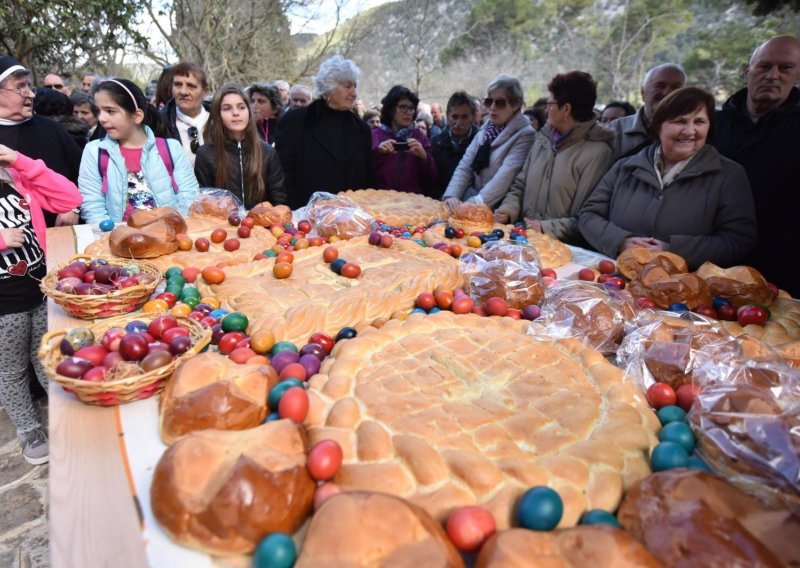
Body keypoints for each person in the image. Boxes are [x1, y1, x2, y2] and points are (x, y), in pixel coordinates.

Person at [580, 87, 757, 269]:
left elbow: (738, 239)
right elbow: (589, 215)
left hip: (684, 288)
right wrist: (620, 241)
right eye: (680, 121)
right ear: (658, 126)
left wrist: (673, 250)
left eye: (699, 122)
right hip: (616, 278)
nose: (690, 131)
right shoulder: (624, 167)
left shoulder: (728, 175)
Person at [0, 143, 82, 465]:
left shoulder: (16, 175)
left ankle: (65, 417)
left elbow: (69, 199)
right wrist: (3, 239)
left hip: (38, 287)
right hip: (4, 303)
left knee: (46, 356)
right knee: (11, 369)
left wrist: (21, 161)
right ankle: (29, 429)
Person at [709, 35, 800, 295]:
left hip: (781, 272)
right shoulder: (713, 125)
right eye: (764, 66)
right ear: (746, 72)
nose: (773, 75)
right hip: (711, 264)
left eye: (785, 68)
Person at [494, 71, 613, 245]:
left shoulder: (598, 153)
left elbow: (588, 215)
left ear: (566, 109)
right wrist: (508, 209)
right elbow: (520, 185)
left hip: (562, 247)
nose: (546, 109)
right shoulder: (542, 140)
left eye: (550, 103)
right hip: (524, 239)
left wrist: (545, 227)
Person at [78, 78, 198, 224]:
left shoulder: (171, 148)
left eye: (110, 111)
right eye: (98, 111)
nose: (102, 118)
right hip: (117, 240)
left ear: (137, 116)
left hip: (168, 236)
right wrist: (108, 236)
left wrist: (176, 231)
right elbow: (92, 205)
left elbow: (188, 195)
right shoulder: (95, 151)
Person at [275, 55, 373, 210]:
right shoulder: (296, 122)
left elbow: (368, 178)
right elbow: (283, 173)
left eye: (355, 86)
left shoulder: (362, 129)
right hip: (305, 216)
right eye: (347, 87)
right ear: (329, 87)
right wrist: (294, 211)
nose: (354, 93)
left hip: (350, 217)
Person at [0, 56, 82, 227]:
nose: (30, 94)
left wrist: (75, 209)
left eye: (29, 86)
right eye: (20, 87)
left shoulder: (53, 129)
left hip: (59, 235)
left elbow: (83, 175)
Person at [442, 75, 535, 210]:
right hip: (473, 201)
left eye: (500, 102)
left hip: (498, 209)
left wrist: (472, 205)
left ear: (515, 104)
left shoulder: (525, 134)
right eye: (488, 101)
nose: (492, 107)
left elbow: (504, 178)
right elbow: (465, 166)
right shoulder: (486, 129)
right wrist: (451, 196)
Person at [194, 85, 286, 208]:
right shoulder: (206, 154)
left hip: (261, 224)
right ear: (217, 114)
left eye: (241, 107)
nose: (236, 113)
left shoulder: (267, 152)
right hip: (222, 224)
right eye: (227, 108)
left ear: (249, 111)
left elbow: (279, 199)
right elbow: (205, 200)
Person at [608, 63, 685, 160]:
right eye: (660, 86)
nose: (667, 93)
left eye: (675, 87)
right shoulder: (616, 130)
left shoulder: (692, 134)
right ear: (643, 93)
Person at [372, 85, 437, 195]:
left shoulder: (420, 136)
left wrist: (424, 157)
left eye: (411, 108)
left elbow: (433, 177)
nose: (408, 112)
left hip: (412, 203)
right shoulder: (374, 135)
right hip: (380, 201)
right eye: (403, 107)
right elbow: (364, 172)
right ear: (391, 109)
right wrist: (378, 153)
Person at [159, 62, 210, 165]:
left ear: (205, 92)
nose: (183, 92)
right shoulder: (160, 125)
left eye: (191, 86)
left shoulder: (219, 121)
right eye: (178, 85)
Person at [430, 91, 478, 199]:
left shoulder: (480, 143)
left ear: (472, 117)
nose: (458, 122)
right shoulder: (436, 143)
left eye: (464, 117)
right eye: (455, 117)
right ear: (447, 115)